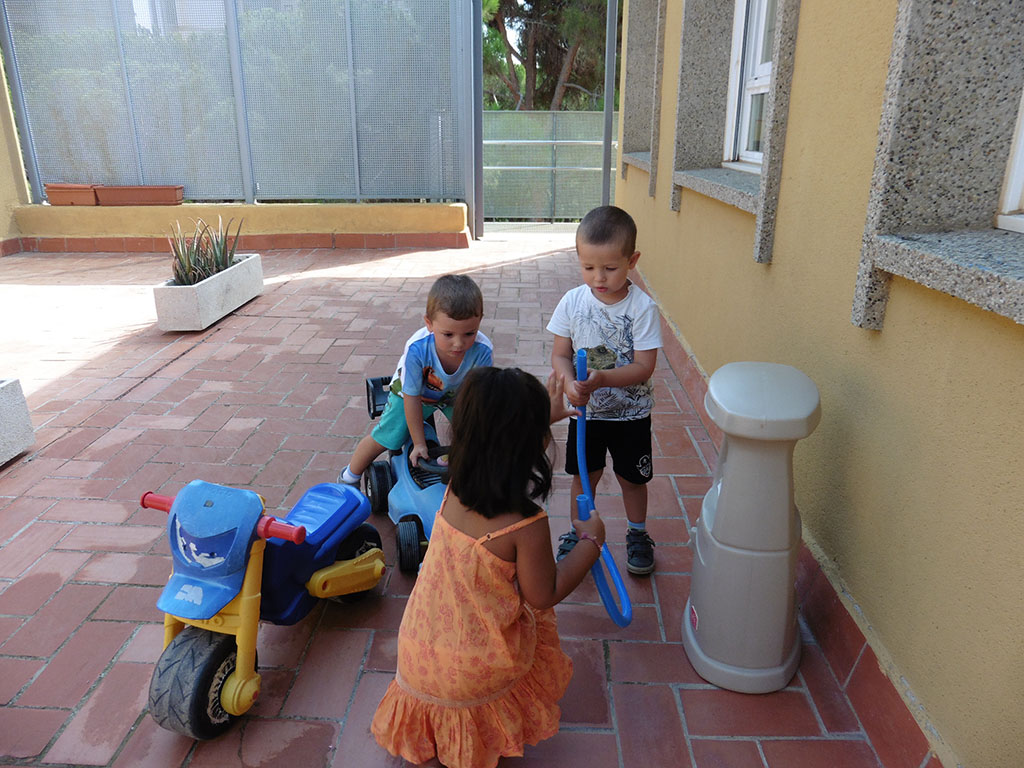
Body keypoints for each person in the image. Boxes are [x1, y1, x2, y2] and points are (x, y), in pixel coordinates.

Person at [371, 367, 605, 768]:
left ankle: (442, 736)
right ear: (531, 445)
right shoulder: (525, 524)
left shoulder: (454, 486)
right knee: (535, 617)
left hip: (416, 660)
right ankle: (476, 740)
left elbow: (495, 436)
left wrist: (540, 420)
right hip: (474, 675)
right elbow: (544, 594)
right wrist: (590, 543)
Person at [547, 205, 662, 575]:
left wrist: (602, 379)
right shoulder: (572, 302)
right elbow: (560, 354)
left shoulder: (642, 308)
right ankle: (579, 533)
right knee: (584, 476)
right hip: (586, 415)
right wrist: (568, 382)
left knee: (632, 478)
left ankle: (637, 533)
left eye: (610, 268)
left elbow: (644, 366)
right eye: (588, 267)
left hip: (631, 416)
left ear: (632, 261)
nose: (598, 277)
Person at [338, 274, 492, 485]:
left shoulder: (483, 351)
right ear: (429, 323)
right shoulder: (417, 349)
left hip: (454, 395)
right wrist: (419, 443)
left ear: (480, 321)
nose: (459, 343)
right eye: (448, 335)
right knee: (389, 436)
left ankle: (461, 470)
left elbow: (477, 398)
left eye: (469, 333)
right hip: (412, 394)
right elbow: (411, 397)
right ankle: (349, 477)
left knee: (475, 435)